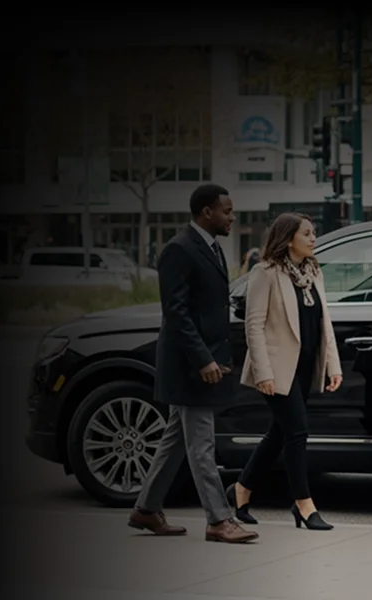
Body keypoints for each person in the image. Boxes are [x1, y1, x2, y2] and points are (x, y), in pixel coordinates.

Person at [127, 184, 257, 544]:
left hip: (204, 361)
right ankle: (219, 519)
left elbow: (209, 308)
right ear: (206, 212)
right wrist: (203, 360)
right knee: (201, 445)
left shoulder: (211, 248)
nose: (232, 217)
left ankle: (146, 510)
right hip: (189, 366)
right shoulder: (179, 249)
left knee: (175, 441)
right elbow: (177, 313)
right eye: (227, 211)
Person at [228, 213, 343, 531]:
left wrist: (333, 364)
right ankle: (303, 504)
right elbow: (254, 325)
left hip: (305, 366)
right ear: (288, 237)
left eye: (314, 233)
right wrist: (263, 372)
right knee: (297, 432)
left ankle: (241, 489)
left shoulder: (312, 272)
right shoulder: (265, 273)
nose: (313, 238)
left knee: (278, 433)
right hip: (277, 368)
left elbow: (324, 321)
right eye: (307, 233)